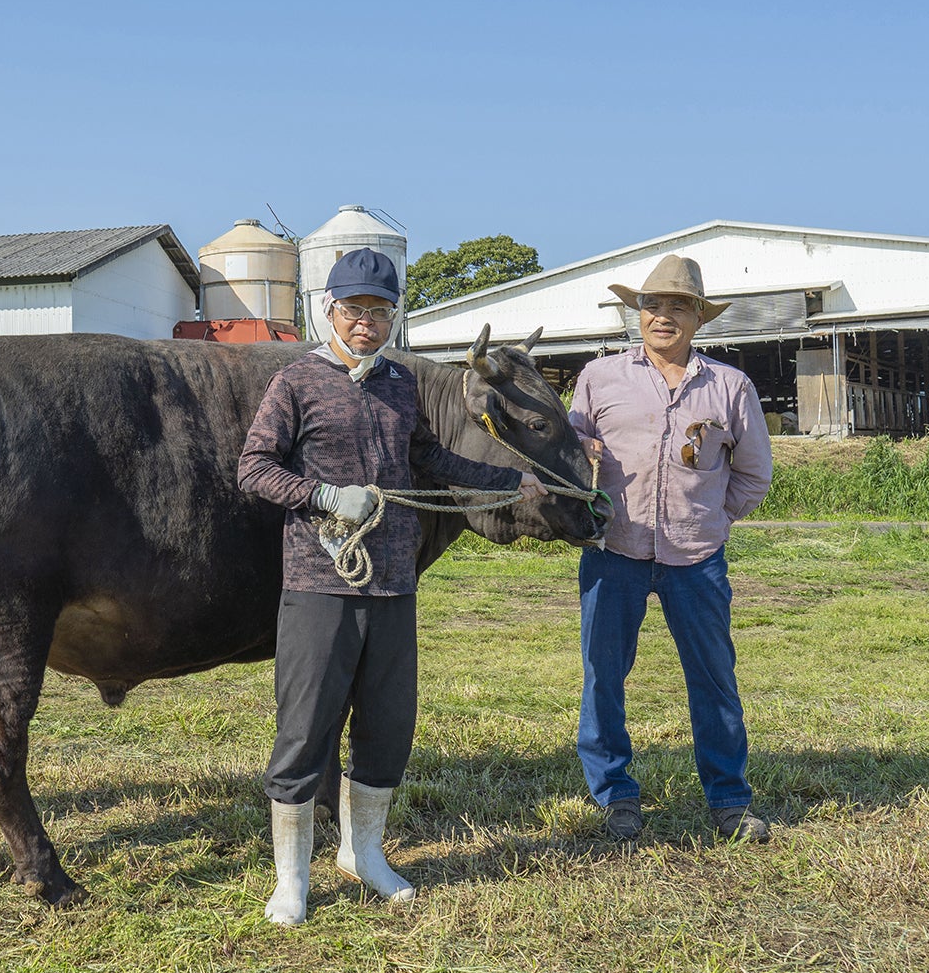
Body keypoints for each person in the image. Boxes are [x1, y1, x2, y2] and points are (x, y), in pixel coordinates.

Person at [237, 248, 544, 925]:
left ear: (390, 316)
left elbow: (427, 458)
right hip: (320, 582)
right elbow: (253, 468)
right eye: (354, 311)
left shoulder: (400, 385)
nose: (365, 323)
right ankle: (291, 880)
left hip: (394, 585)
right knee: (304, 729)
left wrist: (506, 479)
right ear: (330, 310)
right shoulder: (294, 382)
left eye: (378, 312)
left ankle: (363, 855)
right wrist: (320, 493)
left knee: (386, 728)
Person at [567, 254, 773, 844]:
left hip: (697, 559)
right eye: (652, 304)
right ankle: (616, 797)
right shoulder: (598, 377)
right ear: (638, 313)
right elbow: (569, 453)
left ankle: (729, 800)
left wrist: (711, 518)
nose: (663, 316)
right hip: (614, 550)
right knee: (603, 676)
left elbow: (754, 475)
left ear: (698, 319)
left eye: (678, 306)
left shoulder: (730, 386)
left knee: (713, 679)